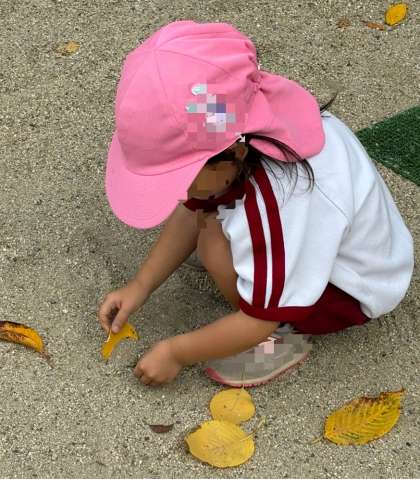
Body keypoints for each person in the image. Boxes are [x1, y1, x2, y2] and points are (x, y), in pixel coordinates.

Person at [97, 20, 414, 387]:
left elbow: (258, 317)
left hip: (349, 290)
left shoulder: (279, 201)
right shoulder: (238, 123)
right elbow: (191, 207)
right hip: (329, 244)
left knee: (213, 243)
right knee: (207, 221)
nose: (178, 194)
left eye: (180, 178)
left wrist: (176, 352)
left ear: (233, 155)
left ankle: (284, 337)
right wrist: (140, 285)